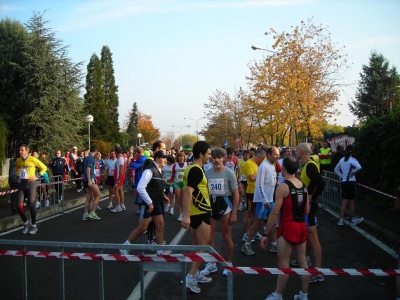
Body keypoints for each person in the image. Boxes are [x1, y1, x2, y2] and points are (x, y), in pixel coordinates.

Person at [262, 156, 310, 300]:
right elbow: (306, 210)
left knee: (283, 262)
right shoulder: (303, 186)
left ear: (283, 169)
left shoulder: (283, 187)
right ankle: (304, 295)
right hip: (301, 225)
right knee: (303, 260)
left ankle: (278, 295)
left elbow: (275, 212)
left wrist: (265, 233)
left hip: (288, 225)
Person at [120, 150, 171, 256]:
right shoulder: (149, 170)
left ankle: (160, 250)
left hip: (156, 203)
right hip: (147, 204)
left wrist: (163, 196)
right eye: (163, 158)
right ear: (157, 159)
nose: (166, 160)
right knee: (143, 227)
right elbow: (140, 188)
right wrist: (149, 203)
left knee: (160, 225)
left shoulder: (161, 171)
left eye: (166, 158)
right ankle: (125, 246)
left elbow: (156, 187)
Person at [201, 148, 239, 276]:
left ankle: (229, 263)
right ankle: (212, 263)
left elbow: (236, 194)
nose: (216, 160)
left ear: (224, 158)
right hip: (211, 204)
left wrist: (234, 213)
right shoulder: (207, 173)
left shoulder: (229, 173)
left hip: (225, 204)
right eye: (214, 157)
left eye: (219, 157)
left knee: (226, 236)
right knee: (209, 237)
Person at [181, 141, 213, 294]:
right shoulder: (196, 170)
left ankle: (196, 273)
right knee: (203, 247)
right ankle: (189, 277)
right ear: (201, 154)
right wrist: (186, 216)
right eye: (208, 154)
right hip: (200, 212)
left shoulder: (191, 169)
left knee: (196, 246)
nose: (210, 157)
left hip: (196, 212)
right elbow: (188, 192)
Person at [295, 143, 325, 283]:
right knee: (307, 235)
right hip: (307, 204)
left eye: (296, 150)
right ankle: (305, 260)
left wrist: (312, 196)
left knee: (313, 237)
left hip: (310, 205)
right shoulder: (307, 164)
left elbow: (321, 182)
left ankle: (318, 271)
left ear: (301, 151)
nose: (295, 152)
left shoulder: (310, 165)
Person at [242, 146, 280, 255]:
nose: (277, 157)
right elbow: (259, 185)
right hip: (262, 201)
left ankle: (274, 244)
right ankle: (247, 244)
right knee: (259, 222)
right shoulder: (263, 166)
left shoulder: (272, 166)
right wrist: (264, 200)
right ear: (268, 155)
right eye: (275, 155)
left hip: (270, 199)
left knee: (271, 221)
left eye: (278, 155)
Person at [15, 144, 48, 234]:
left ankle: (34, 225)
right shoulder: (18, 160)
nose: (20, 152)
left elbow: (44, 167)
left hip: (31, 183)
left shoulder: (32, 159)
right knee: (18, 206)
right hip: (22, 184)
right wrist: (18, 177)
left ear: (27, 151)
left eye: (22, 150)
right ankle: (26, 223)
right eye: (19, 150)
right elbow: (17, 170)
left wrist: (36, 176)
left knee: (30, 203)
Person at [334, 145, 364, 226]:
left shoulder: (342, 160)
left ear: (345, 151)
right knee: (352, 202)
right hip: (351, 182)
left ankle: (341, 220)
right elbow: (359, 167)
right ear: (352, 152)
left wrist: (342, 176)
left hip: (344, 182)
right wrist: (352, 172)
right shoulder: (352, 159)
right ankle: (353, 219)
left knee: (344, 201)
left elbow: (336, 169)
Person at [242, 149, 267, 244]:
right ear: (258, 157)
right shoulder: (249, 163)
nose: (262, 161)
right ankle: (246, 234)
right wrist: (262, 174)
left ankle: (253, 232)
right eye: (262, 159)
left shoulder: (256, 164)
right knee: (249, 213)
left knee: (255, 214)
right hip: (251, 192)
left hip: (257, 192)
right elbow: (252, 177)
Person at [82, 145, 102, 221]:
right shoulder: (91, 158)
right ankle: (92, 212)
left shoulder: (87, 158)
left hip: (86, 179)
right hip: (90, 179)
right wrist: (90, 180)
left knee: (89, 197)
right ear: (96, 151)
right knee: (98, 195)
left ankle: (85, 214)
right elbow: (88, 169)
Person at [171, 151, 189, 221]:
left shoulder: (187, 164)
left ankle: (185, 213)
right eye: (179, 156)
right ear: (177, 157)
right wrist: (171, 186)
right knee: (179, 200)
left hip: (185, 184)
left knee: (185, 200)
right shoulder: (175, 165)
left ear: (184, 157)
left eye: (182, 156)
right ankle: (180, 214)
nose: (181, 158)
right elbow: (172, 176)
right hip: (177, 183)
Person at [111, 145, 127, 212]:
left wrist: (118, 179)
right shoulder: (121, 158)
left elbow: (121, 169)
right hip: (120, 177)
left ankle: (118, 206)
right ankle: (122, 205)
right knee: (120, 191)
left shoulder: (120, 158)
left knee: (116, 191)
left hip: (118, 178)